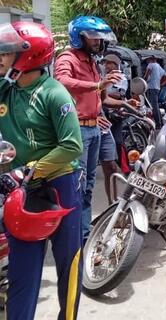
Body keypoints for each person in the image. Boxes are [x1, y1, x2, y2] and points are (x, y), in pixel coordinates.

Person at [0, 21, 83, 319]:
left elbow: (73, 146)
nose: (1, 56)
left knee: (68, 265)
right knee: (22, 272)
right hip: (19, 190)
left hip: (60, 187)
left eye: (6, 52)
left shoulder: (54, 93)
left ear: (28, 56)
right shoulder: (6, 88)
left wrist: (29, 169)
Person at [55, 16, 135, 242]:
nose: (99, 43)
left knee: (88, 186)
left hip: (94, 130)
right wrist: (97, 84)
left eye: (100, 39)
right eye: (94, 39)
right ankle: (73, 238)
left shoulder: (92, 63)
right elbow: (61, 81)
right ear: (80, 38)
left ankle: (84, 235)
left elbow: (101, 98)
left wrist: (127, 103)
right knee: (76, 186)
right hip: (76, 130)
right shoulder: (67, 58)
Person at [99, 54, 127, 203]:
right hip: (95, 119)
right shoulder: (101, 76)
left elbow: (118, 95)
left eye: (110, 63)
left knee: (116, 144)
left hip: (113, 116)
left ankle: (113, 204)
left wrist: (125, 104)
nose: (107, 66)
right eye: (106, 63)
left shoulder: (119, 77)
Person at [144, 55, 166, 127]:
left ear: (150, 59)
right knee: (156, 106)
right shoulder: (159, 66)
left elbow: (146, 76)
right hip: (157, 88)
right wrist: (160, 84)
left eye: (147, 59)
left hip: (151, 87)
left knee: (153, 107)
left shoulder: (150, 65)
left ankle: (158, 124)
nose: (147, 61)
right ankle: (161, 122)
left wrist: (142, 82)